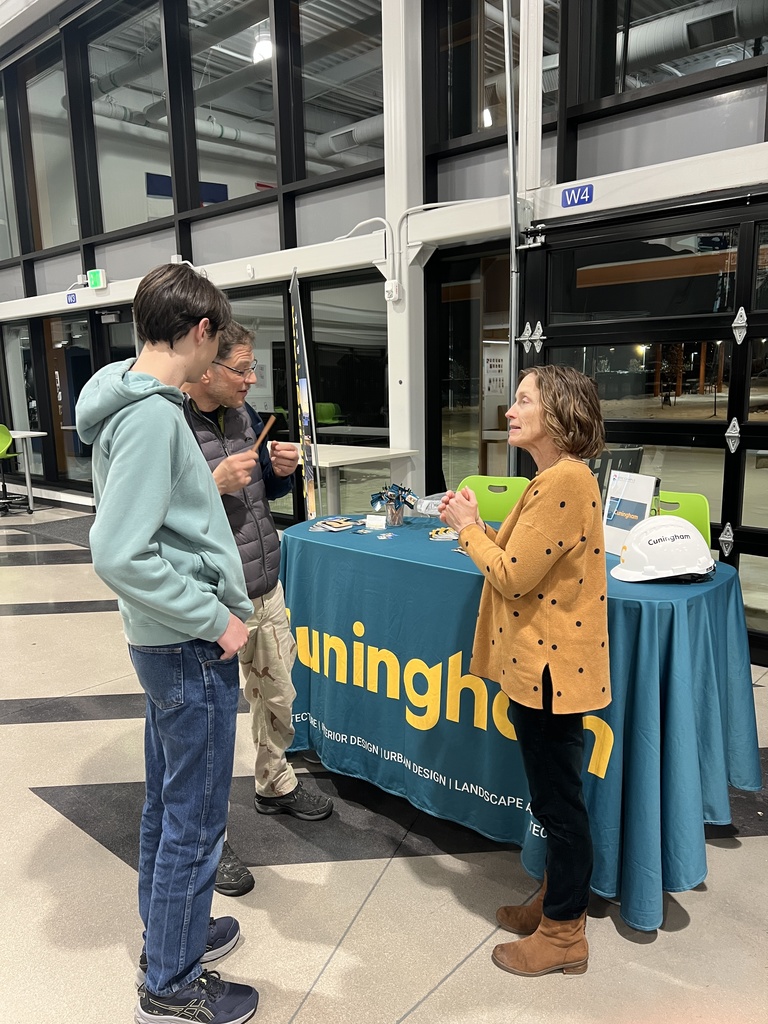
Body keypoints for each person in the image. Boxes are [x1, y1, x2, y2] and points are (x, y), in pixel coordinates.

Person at [75, 264, 259, 1024]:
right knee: (195, 814)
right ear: (200, 331)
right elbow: (118, 550)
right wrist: (215, 618)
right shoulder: (153, 418)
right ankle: (173, 979)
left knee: (168, 800)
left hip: (163, 642)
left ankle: (171, 933)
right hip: (187, 643)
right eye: (218, 343)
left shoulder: (127, 397)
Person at [439, 364, 610, 978]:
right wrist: (477, 524)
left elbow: (510, 575)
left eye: (522, 400)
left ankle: (565, 933)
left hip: (551, 671)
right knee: (553, 796)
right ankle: (554, 902)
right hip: (541, 667)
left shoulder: (565, 481)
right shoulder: (553, 479)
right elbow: (520, 561)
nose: (509, 409)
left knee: (560, 805)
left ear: (557, 415)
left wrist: (466, 532)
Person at [183, 321, 333, 894]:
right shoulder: (169, 424)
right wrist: (211, 482)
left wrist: (274, 472)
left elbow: (252, 496)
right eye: (240, 370)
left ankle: (274, 780)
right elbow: (156, 517)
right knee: (208, 730)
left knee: (278, 693)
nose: (250, 380)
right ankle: (205, 842)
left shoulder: (242, 416)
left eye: (252, 369)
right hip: (210, 602)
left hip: (264, 584)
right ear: (205, 367)